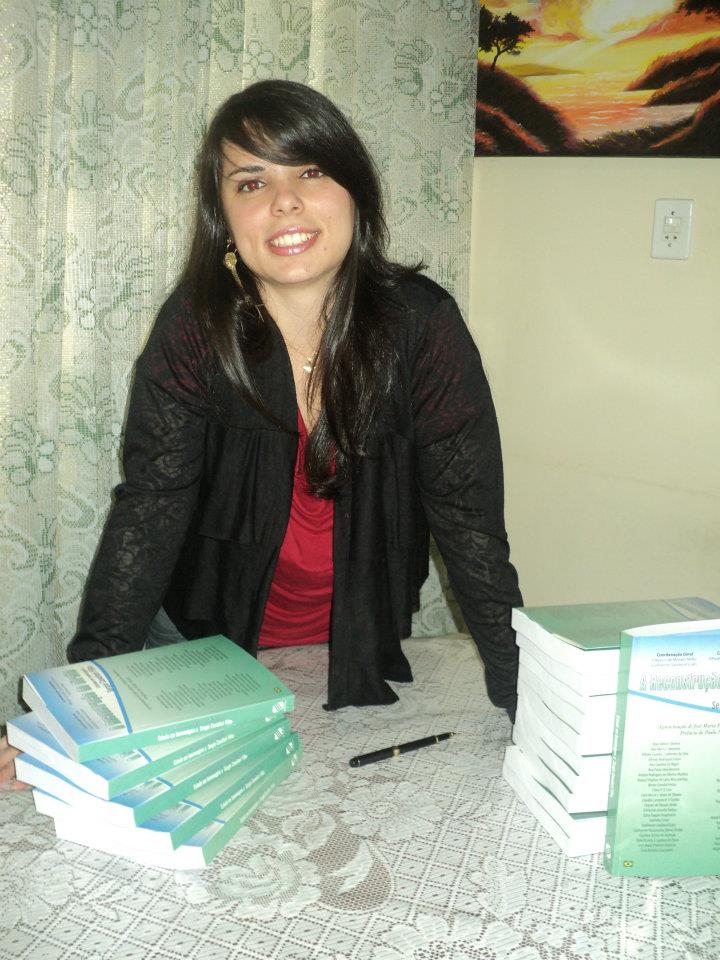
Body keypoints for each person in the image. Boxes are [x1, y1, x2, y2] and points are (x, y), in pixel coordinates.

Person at [0, 80, 521, 788]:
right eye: (251, 182)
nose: (285, 201)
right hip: (197, 648)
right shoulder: (195, 327)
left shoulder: (421, 327)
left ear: (356, 191)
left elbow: (471, 528)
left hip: (354, 644)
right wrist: (79, 715)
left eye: (310, 171)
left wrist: (532, 701)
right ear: (223, 215)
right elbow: (149, 510)